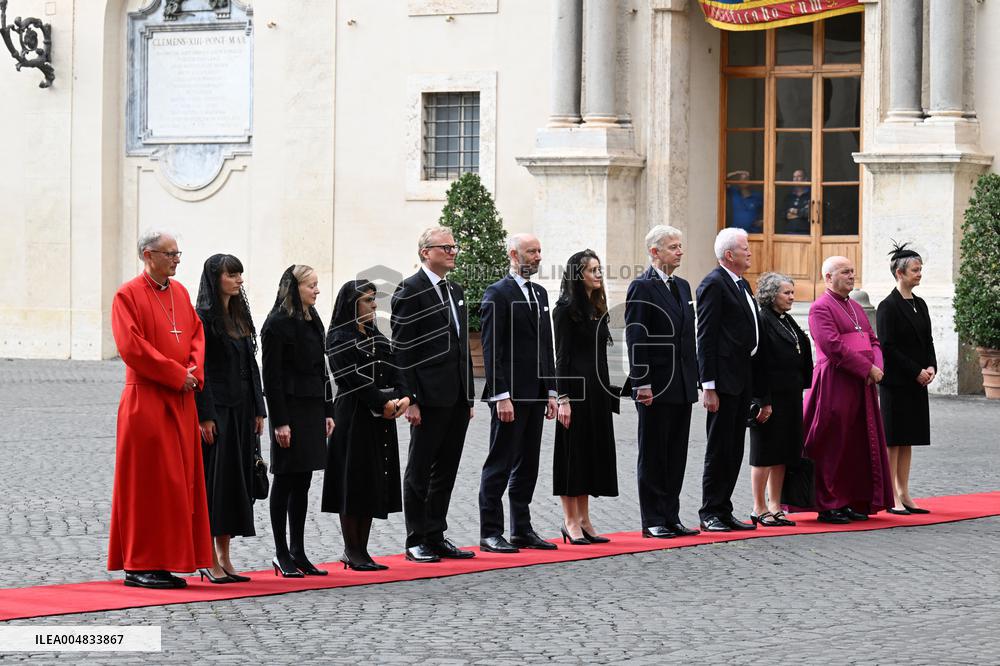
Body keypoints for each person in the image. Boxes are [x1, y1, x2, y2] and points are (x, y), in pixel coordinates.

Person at [108, 230, 212, 589]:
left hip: (181, 399)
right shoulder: (127, 295)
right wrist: (173, 374)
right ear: (148, 255)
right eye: (170, 254)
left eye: (178, 253)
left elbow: (197, 335)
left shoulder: (180, 293)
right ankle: (139, 563)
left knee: (177, 484)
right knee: (146, 484)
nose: (177, 259)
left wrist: (192, 373)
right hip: (147, 401)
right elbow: (130, 346)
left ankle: (165, 559)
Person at [391, 227, 476, 563]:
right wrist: (409, 398)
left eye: (455, 246)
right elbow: (402, 348)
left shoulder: (454, 290)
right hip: (426, 396)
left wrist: (469, 396)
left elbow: (462, 347)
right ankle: (416, 538)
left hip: (455, 396)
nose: (453, 251)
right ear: (426, 252)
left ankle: (436, 533)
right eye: (446, 247)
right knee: (420, 469)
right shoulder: (409, 290)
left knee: (447, 469)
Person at [323, 280, 412, 571]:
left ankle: (362, 548)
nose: (373, 305)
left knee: (372, 480)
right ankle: (352, 549)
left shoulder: (377, 336)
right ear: (352, 304)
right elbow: (350, 378)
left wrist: (403, 396)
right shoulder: (339, 337)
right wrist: (380, 402)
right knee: (353, 482)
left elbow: (397, 366)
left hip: (380, 419)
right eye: (366, 300)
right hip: (353, 418)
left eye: (374, 300)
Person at [478, 233, 559, 553]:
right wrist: (501, 395)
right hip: (509, 396)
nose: (538, 256)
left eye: (540, 250)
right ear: (514, 254)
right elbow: (491, 347)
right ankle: (490, 531)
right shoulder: (497, 293)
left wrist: (552, 390)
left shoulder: (539, 293)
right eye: (531, 251)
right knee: (500, 463)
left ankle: (521, 529)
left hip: (536, 393)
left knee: (528, 464)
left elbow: (545, 345)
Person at [802, 256, 893, 523]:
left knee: (856, 444)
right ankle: (829, 503)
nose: (852, 276)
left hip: (861, 385)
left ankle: (850, 499)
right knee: (833, 444)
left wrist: (877, 366)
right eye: (845, 272)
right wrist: (867, 369)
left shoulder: (855, 306)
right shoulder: (820, 308)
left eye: (853, 271)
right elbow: (832, 346)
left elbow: (873, 340)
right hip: (835, 383)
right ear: (828, 278)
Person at [193, 254, 266, 584]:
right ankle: (207, 557)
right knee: (216, 484)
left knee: (235, 484)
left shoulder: (239, 314)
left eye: (240, 274)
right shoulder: (203, 319)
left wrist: (259, 409)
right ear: (215, 278)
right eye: (232, 274)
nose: (238, 280)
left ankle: (225, 556)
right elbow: (200, 371)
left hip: (242, 410)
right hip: (218, 411)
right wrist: (205, 415)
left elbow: (252, 367)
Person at [624, 226, 700, 539]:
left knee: (676, 454)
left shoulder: (682, 286)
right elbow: (636, 337)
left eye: (680, 246)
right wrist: (642, 382)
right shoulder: (641, 286)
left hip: (682, 384)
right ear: (655, 252)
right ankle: (653, 518)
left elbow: (688, 336)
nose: (680, 251)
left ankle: (671, 515)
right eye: (673, 247)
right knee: (654, 453)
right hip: (654, 385)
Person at [261, 265, 335, 577]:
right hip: (289, 411)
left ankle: (298, 551)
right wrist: (280, 422)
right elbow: (272, 377)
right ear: (295, 288)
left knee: (303, 481)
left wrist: (328, 410)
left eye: (317, 285)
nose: (317, 290)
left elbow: (322, 366)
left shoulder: (312, 318)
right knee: (285, 479)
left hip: (312, 408)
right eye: (312, 286)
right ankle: (281, 552)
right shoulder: (276, 324)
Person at [696, 227, 762, 532]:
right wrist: (708, 385)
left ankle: (724, 508)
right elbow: (706, 336)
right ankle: (710, 511)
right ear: (729, 255)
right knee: (719, 448)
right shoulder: (714, 283)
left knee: (734, 448)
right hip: (722, 382)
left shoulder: (740, 283)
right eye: (745, 248)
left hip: (742, 377)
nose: (750, 252)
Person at [552, 250, 619, 545]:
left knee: (590, 456)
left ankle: (585, 519)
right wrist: (563, 398)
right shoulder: (565, 309)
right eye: (592, 270)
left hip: (597, 391)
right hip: (575, 394)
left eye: (599, 269)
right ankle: (569, 521)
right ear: (578, 276)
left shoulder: (596, 307)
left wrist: (610, 393)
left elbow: (602, 356)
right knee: (572, 457)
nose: (598, 275)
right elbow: (562, 357)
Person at [748, 273, 813, 527]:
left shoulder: (785, 319)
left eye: (792, 292)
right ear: (771, 294)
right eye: (786, 292)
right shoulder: (763, 319)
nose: (791, 297)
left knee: (784, 451)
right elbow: (758, 362)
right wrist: (763, 399)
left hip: (790, 395)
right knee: (764, 452)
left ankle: (775, 504)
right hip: (770, 397)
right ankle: (758, 506)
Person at [877, 242, 937, 515]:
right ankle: (892, 496)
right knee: (894, 440)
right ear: (900, 273)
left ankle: (905, 492)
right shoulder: (887, 306)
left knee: (908, 439)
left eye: (920, 269)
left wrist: (931, 366)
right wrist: (915, 371)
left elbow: (928, 340)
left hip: (918, 381)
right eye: (915, 269)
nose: (919, 274)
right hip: (897, 382)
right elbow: (887, 347)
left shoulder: (921, 304)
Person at [779, 169, 810, 235]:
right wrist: (802, 212)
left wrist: (795, 211)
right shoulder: (789, 196)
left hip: (807, 234)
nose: (796, 179)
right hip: (789, 233)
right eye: (794, 177)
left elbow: (811, 213)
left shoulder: (811, 194)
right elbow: (782, 214)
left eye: (799, 176)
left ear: (805, 179)